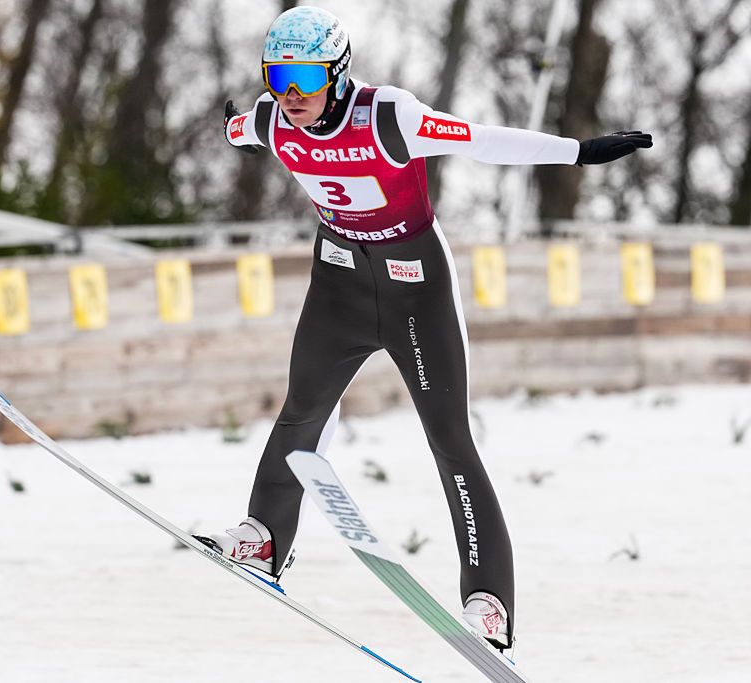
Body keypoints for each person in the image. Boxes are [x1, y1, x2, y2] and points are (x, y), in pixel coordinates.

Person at [197, 6, 652, 651]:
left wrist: (577, 152)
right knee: (302, 413)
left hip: (417, 291)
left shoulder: (389, 119)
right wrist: (232, 127)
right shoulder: (273, 119)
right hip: (339, 286)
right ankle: (265, 538)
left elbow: (480, 139)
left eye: (302, 74)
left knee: (449, 436)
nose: (290, 91)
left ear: (334, 69)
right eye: (276, 74)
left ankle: (488, 598)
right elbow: (244, 129)